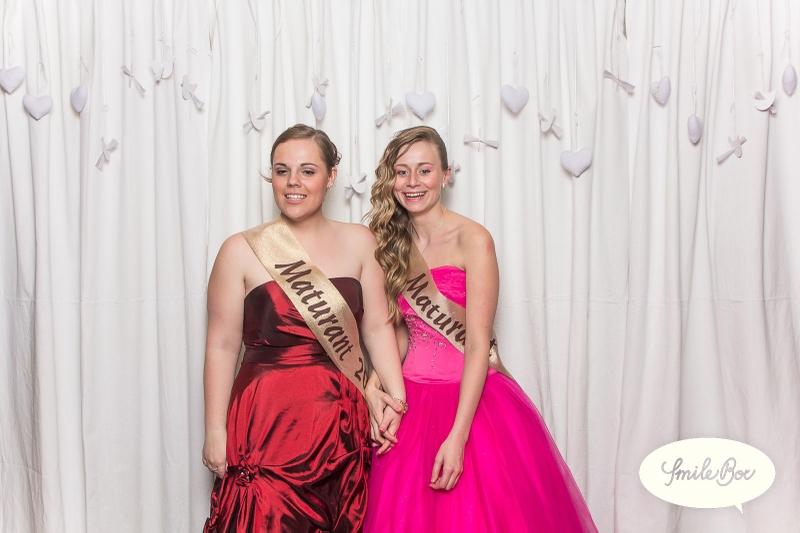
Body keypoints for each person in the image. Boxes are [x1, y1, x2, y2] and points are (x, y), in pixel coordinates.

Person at [363, 126, 598, 532]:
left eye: (424, 170)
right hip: (411, 399)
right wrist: (373, 386)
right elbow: (400, 333)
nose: (413, 182)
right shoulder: (390, 243)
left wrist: (458, 437)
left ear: (446, 174)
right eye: (402, 171)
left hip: (471, 403)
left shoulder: (474, 240)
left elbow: (477, 345)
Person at [202, 124, 407, 532]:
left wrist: (395, 400)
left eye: (307, 171)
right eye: (282, 171)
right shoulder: (240, 249)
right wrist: (214, 430)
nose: (293, 182)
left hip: (338, 423)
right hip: (264, 421)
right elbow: (221, 345)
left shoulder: (360, 241)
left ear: (331, 177)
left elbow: (377, 328)